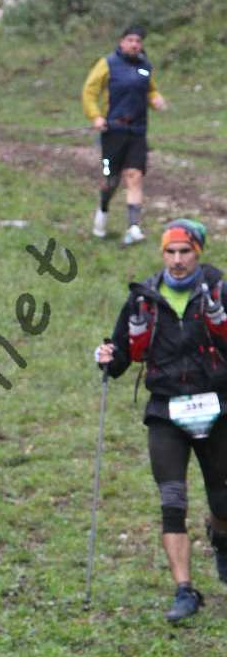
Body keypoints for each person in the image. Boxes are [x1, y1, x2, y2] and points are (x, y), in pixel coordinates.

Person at [95, 219, 227, 621]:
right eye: (170, 252)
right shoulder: (143, 298)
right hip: (166, 412)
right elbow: (121, 353)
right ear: (162, 254)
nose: (177, 260)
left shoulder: (219, 292)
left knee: (223, 502)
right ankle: (184, 591)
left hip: (217, 408)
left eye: (185, 251)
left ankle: (220, 538)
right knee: (172, 502)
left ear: (197, 253)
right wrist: (107, 357)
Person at [82, 25, 167, 246]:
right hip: (112, 132)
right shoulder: (107, 64)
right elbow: (89, 91)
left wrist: (156, 99)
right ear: (121, 42)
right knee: (110, 179)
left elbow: (150, 88)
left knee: (135, 175)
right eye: (130, 40)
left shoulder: (144, 67)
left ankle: (134, 227)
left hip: (137, 131)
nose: (135, 45)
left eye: (138, 41)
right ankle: (103, 208)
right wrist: (95, 116)